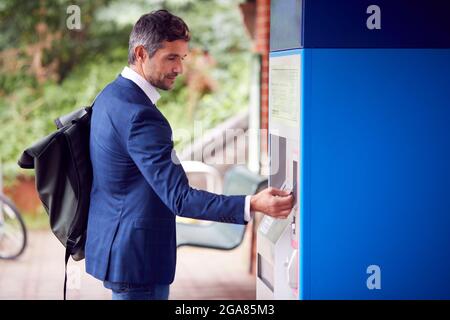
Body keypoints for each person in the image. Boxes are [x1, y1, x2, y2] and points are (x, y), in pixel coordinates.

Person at [85, 9, 294, 301]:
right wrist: (253, 204)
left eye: (182, 58)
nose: (180, 69)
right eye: (171, 57)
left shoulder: (111, 95)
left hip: (118, 247)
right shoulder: (141, 115)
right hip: (137, 260)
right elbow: (180, 198)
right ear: (142, 53)